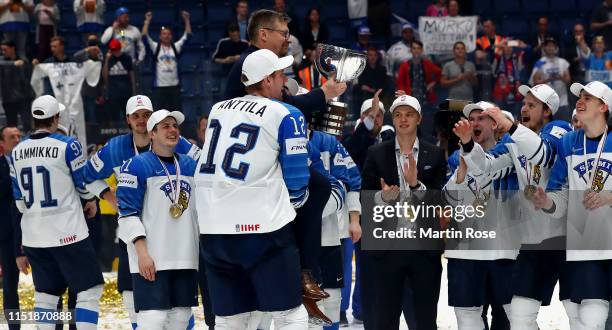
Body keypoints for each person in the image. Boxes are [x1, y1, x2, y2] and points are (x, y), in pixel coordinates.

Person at [195, 49, 310, 328]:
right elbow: (297, 180)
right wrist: (293, 204)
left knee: (230, 319)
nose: (285, 81)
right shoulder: (286, 113)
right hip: (262, 229)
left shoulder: (218, 109)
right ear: (267, 80)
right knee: (290, 314)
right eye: (281, 75)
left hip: (213, 229)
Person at [456, 84, 572, 330]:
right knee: (519, 315)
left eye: (532, 105)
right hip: (533, 241)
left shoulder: (560, 130)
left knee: (582, 312)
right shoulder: (513, 143)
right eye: (524, 104)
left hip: (568, 237)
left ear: (547, 111)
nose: (524, 108)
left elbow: (543, 154)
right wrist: (468, 145)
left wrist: (510, 127)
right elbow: (485, 167)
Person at [83, 94, 200, 329]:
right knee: (137, 297)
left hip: (175, 236)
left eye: (146, 115)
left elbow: (205, 168)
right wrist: (109, 196)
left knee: (179, 309)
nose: (140, 119)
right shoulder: (115, 148)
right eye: (136, 115)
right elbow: (86, 176)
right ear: (127, 119)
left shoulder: (178, 143)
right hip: (136, 233)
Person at [10, 95, 104, 329]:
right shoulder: (68, 144)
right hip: (68, 232)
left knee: (46, 295)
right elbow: (83, 186)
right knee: (89, 290)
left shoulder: (16, 151)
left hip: (34, 235)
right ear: (56, 118)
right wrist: (90, 200)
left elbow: (19, 202)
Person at [361, 94, 447, 329]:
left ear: (419, 118)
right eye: (398, 115)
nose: (403, 119)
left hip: (424, 250)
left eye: (409, 114)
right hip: (388, 248)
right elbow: (365, 196)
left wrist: (416, 185)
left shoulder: (435, 154)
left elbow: (440, 201)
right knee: (385, 319)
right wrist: (382, 198)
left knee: (426, 320)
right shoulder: (376, 153)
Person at [532, 81, 612, 329]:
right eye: (580, 96)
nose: (580, 100)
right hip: (587, 242)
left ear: (603, 107)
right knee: (591, 316)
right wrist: (547, 202)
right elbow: (559, 193)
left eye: (588, 97)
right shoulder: (568, 142)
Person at [116, 110, 199, 329]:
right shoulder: (136, 166)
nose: (173, 130)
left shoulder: (191, 166)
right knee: (153, 319)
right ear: (152, 134)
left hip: (185, 257)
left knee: (180, 319)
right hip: (152, 258)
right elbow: (126, 215)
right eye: (165, 127)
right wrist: (142, 254)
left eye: (175, 126)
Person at [446, 102, 519, 329]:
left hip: (502, 250)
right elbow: (449, 201)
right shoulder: (456, 158)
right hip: (465, 251)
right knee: (467, 318)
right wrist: (459, 174)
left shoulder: (511, 153)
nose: (474, 123)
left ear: (494, 123)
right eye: (472, 119)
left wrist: (468, 147)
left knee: (508, 318)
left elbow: (485, 167)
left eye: (481, 118)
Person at [224, 9, 347, 116]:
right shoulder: (253, 64)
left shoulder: (252, 59)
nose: (288, 40)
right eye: (284, 34)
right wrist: (325, 92)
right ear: (264, 35)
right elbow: (288, 105)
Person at [30, 36, 101, 148]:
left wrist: (93, 60)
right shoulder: (48, 63)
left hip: (75, 102)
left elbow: (92, 68)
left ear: (62, 46)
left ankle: (79, 153)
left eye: (55, 46)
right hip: (56, 103)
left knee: (77, 129)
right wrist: (36, 67)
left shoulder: (74, 62)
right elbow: (38, 79)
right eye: (51, 46)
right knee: (58, 130)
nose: (52, 49)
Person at [142, 10, 192, 113]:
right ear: (160, 36)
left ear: (171, 36)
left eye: (168, 34)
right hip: (160, 88)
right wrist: (147, 21)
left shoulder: (175, 47)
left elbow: (188, 36)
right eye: (164, 34)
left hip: (174, 87)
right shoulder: (155, 47)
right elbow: (144, 37)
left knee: (176, 114)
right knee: (159, 114)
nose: (166, 36)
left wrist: (187, 20)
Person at [0, 126, 22, 330]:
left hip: (37, 228)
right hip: (7, 233)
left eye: (18, 136)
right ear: (2, 144)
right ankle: (14, 327)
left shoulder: (31, 159)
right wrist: (15, 173)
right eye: (11, 137)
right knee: (10, 285)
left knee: (51, 282)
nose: (16, 140)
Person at [531, 37, 572, 121]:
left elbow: (568, 80)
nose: (550, 47)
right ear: (544, 48)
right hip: (547, 103)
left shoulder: (563, 62)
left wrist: (559, 77)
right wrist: (548, 79)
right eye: (548, 45)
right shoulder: (540, 63)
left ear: (556, 48)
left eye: (552, 45)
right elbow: (534, 82)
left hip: (563, 102)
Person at [0, 39, 33, 132]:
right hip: (8, 98)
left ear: (12, 48)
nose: (3, 52)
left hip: (24, 98)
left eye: (5, 49)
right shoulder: (2, 61)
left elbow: (28, 78)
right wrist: (13, 64)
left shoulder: (23, 60)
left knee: (27, 125)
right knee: (11, 127)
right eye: (2, 50)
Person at [396, 40, 442, 107]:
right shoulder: (404, 65)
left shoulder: (427, 63)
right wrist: (403, 97)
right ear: (410, 50)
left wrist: (433, 83)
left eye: (418, 48)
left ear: (422, 50)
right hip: (409, 99)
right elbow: (400, 82)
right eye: (414, 48)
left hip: (425, 98)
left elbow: (441, 73)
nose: (416, 50)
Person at [73, 34, 104, 124]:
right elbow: (75, 56)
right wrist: (87, 50)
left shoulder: (100, 56)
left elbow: (102, 77)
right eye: (91, 43)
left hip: (93, 93)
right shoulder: (84, 56)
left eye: (94, 43)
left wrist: (101, 93)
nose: (93, 46)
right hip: (82, 91)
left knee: (92, 116)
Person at [103, 38, 134, 124]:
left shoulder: (127, 58)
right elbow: (105, 76)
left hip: (126, 92)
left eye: (116, 49)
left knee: (127, 116)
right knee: (113, 117)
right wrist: (107, 60)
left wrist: (134, 91)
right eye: (113, 50)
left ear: (119, 48)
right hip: (113, 93)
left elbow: (132, 75)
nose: (114, 52)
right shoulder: (109, 59)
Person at [355, 47, 388, 117]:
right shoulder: (362, 69)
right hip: (365, 95)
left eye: (374, 55)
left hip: (380, 94)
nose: (372, 57)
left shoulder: (382, 69)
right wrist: (371, 89)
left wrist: (373, 90)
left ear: (377, 56)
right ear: (367, 56)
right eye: (370, 55)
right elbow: (362, 85)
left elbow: (383, 85)